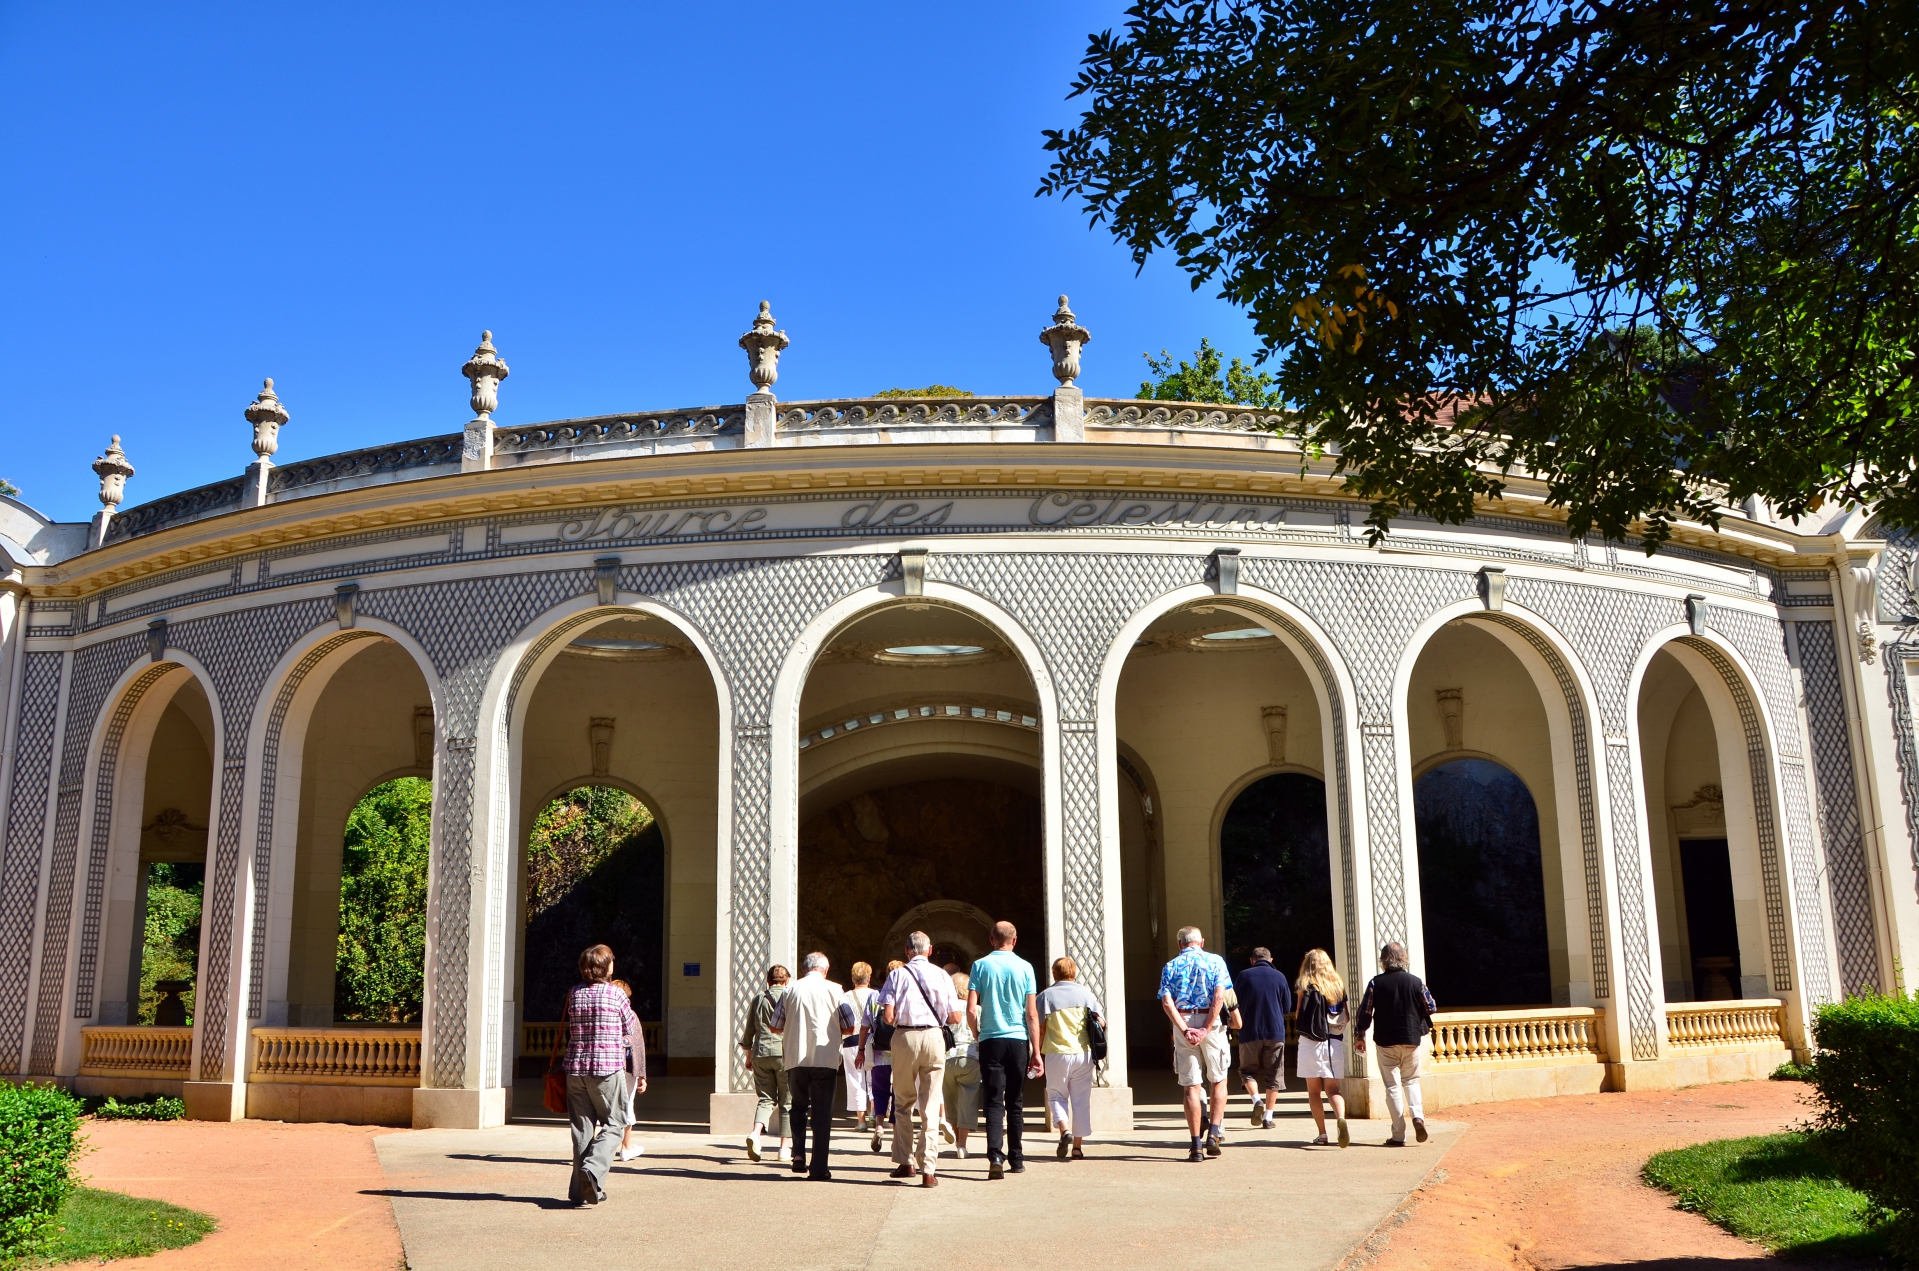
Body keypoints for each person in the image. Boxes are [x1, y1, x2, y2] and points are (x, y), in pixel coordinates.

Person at [876, 932, 961, 1187]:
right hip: (934, 1037)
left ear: (907, 950)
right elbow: (956, 1017)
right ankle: (929, 1169)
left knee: (902, 1102)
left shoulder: (897, 974)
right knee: (931, 1105)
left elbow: (888, 1017)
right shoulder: (943, 975)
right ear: (930, 950)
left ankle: (906, 1161)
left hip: (905, 1037)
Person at [561, 943, 639, 1205]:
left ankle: (579, 1192)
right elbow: (630, 1029)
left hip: (575, 1069)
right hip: (606, 1070)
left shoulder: (574, 993)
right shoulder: (616, 995)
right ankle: (593, 1170)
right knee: (616, 1123)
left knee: (581, 1131)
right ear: (607, 967)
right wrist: (620, 1043)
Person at [967, 920, 1041, 1180]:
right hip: (1018, 1039)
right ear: (1015, 940)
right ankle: (1017, 1158)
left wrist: (977, 1034)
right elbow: (1031, 1013)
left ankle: (995, 1156)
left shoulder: (980, 966)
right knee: (1016, 1102)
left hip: (991, 1039)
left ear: (991, 940)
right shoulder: (1025, 967)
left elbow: (970, 1008)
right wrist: (1036, 1051)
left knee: (994, 1101)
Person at [768, 952, 852, 1181]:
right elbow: (850, 1025)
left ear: (805, 969)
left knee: (797, 1107)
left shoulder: (790, 989)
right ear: (825, 969)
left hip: (796, 1058)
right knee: (822, 1115)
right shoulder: (836, 990)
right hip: (825, 1059)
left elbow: (775, 1026)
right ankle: (818, 1168)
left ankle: (798, 1155)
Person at [1353, 941, 1437, 1148]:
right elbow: (1431, 1007)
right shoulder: (1416, 982)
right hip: (1411, 1038)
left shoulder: (1375, 983)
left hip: (1385, 1040)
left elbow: (1365, 1013)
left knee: (1392, 1086)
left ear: (1383, 961)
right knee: (1411, 1081)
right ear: (1403, 959)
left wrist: (1359, 1035)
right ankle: (1418, 1116)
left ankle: (1398, 1134)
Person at [1158, 925, 1232, 1161]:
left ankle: (1196, 1145)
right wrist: (1206, 1028)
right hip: (1209, 1020)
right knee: (1219, 1079)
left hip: (1184, 1018)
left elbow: (1167, 1003)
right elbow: (1220, 997)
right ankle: (1214, 1132)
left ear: (1180, 944)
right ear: (1202, 942)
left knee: (1191, 1086)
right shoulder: (1216, 962)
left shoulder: (1170, 966)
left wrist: (1185, 1029)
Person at [1036, 956, 1103, 1160]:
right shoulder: (1086, 994)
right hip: (1083, 1053)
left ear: (1054, 973)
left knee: (1056, 1095)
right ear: (1074, 972)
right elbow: (1101, 1021)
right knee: (1081, 1100)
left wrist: (1036, 1053)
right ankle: (1077, 1148)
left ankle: (1064, 1131)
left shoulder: (1046, 996)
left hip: (1056, 1053)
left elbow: (1039, 1028)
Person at [1294, 947, 1350, 1147]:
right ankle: (1341, 1118)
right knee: (1333, 1090)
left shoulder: (1304, 984)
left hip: (1310, 1042)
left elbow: (1299, 1014)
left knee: (1314, 1091)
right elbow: (1347, 1016)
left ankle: (1322, 1133)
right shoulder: (1338, 985)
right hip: (1334, 1041)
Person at [1234, 948, 1293, 1130]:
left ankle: (1256, 1100)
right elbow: (1287, 1006)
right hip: (1275, 1032)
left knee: (1246, 1071)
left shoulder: (1243, 976)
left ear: (1252, 960)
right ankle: (1268, 1117)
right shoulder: (1280, 977)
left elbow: (1233, 1003)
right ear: (1270, 959)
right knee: (1274, 1073)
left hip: (1249, 1031)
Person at [738, 964, 792, 1163]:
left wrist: (748, 1055)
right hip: (784, 1054)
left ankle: (755, 1133)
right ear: (786, 981)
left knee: (765, 1099)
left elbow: (749, 1030)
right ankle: (784, 1148)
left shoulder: (759, 998)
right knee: (787, 1102)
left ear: (768, 981)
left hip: (761, 1053)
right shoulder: (790, 996)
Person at [856, 959, 903, 1153]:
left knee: (879, 1091)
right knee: (900, 1092)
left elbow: (865, 1026)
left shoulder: (875, 996)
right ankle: (897, 1130)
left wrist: (860, 1051)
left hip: (879, 1052)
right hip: (901, 1051)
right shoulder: (905, 995)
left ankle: (879, 1126)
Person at [941, 969, 982, 1159]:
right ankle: (962, 1145)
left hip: (948, 1057)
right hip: (970, 1056)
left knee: (951, 1101)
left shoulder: (945, 1009)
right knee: (968, 1101)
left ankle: (957, 1137)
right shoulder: (978, 1009)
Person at [609, 978, 647, 1161]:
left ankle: (610, 1147)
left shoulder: (606, 1015)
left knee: (608, 1106)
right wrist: (641, 1075)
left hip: (608, 1067)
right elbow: (638, 1048)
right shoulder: (630, 1015)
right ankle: (626, 1146)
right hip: (627, 1068)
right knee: (627, 1103)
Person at [843, 962, 877, 1132]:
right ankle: (874, 1114)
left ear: (852, 978)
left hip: (850, 1040)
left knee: (854, 1079)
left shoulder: (845, 996)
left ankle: (861, 1120)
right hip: (872, 1040)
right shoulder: (876, 994)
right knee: (873, 1078)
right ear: (869, 978)